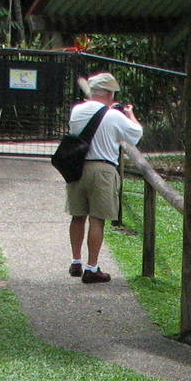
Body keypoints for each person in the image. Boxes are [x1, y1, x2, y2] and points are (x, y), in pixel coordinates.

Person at [65, 71, 143, 284]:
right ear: (109, 94)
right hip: (103, 169)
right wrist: (129, 114)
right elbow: (136, 134)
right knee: (97, 219)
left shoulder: (77, 111)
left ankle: (76, 261)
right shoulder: (114, 116)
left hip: (77, 168)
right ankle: (92, 267)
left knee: (77, 216)